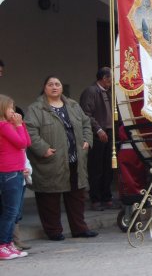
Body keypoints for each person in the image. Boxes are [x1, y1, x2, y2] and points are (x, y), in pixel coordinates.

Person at [25, 76, 97, 240]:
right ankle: (53, 231)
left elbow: (86, 123)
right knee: (49, 197)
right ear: (45, 88)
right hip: (51, 160)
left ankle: (79, 228)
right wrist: (43, 149)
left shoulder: (72, 105)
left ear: (62, 88)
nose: (54, 87)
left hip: (75, 158)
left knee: (77, 196)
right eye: (50, 84)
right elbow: (30, 131)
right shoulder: (36, 109)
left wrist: (87, 141)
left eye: (57, 84)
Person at [80, 67, 116, 211]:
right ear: (104, 78)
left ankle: (107, 197)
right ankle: (95, 198)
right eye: (110, 79)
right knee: (96, 168)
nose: (111, 82)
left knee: (108, 167)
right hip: (97, 134)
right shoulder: (91, 91)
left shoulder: (108, 92)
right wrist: (98, 129)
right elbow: (85, 114)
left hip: (109, 132)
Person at [0, 94, 30, 260]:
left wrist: (21, 124)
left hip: (16, 171)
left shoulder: (9, 125)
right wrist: (18, 125)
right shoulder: (3, 126)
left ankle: (8, 243)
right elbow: (21, 144)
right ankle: (3, 244)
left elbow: (27, 142)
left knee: (13, 210)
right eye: (10, 107)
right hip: (9, 172)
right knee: (10, 211)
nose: (13, 110)